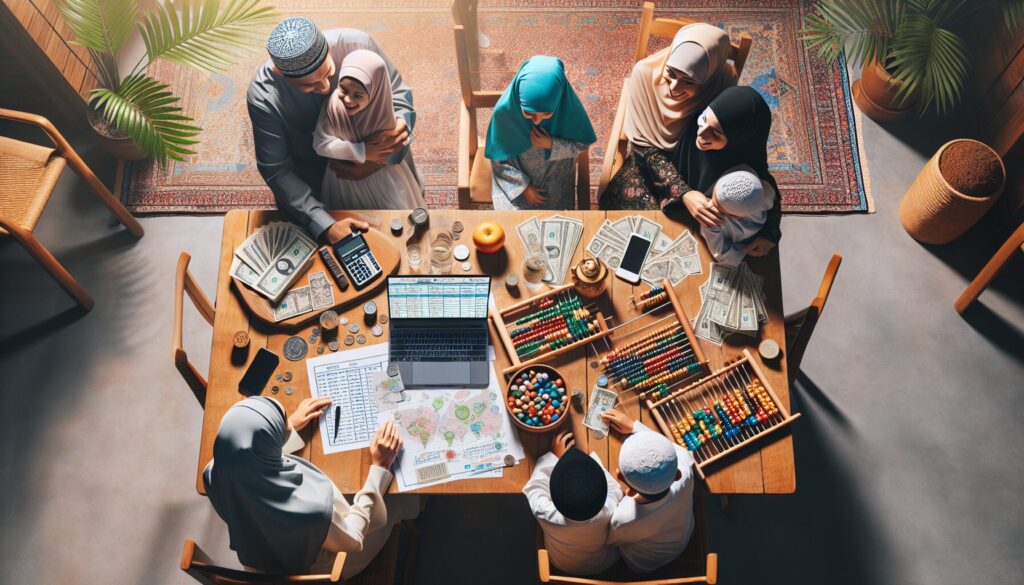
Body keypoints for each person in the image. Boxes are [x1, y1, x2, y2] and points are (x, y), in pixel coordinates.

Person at [203, 396, 418, 578]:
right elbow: (352, 539)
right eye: (283, 423)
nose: (288, 421)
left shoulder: (213, 473)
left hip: (263, 556)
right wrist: (379, 466)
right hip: (320, 565)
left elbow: (250, 458)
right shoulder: (311, 510)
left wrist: (289, 427)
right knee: (400, 498)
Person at [248, 17, 415, 244]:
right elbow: (277, 171)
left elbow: (399, 98)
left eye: (329, 73)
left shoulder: (359, 45)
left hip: (382, 161)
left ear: (328, 47)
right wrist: (324, 224)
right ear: (279, 72)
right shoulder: (264, 97)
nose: (327, 88)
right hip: (315, 178)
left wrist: (380, 155)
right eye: (310, 86)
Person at [599, 23, 736, 211]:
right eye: (671, 73)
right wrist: (682, 192)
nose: (674, 88)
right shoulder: (644, 74)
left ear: (709, 78)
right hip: (647, 158)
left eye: (689, 81)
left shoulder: (723, 82)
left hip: (695, 158)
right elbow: (641, 146)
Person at [672, 86, 782, 256]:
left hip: (707, 229)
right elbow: (648, 152)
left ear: (738, 140)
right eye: (705, 119)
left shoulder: (748, 167)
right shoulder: (690, 117)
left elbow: (769, 194)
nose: (701, 132)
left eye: (716, 133)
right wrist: (684, 193)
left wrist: (771, 235)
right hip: (667, 193)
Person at [313, 50, 426, 210]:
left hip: (383, 178)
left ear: (375, 93)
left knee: (393, 215)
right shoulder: (332, 107)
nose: (347, 100)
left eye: (358, 95)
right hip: (343, 179)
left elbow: (399, 145)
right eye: (343, 90)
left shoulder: (384, 114)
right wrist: (362, 151)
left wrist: (380, 155)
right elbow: (320, 144)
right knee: (347, 212)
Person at [485, 56, 596, 210]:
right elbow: (498, 160)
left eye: (547, 114)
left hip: (557, 180)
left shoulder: (568, 110)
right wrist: (523, 187)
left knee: (555, 225)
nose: (537, 121)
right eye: (529, 114)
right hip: (516, 182)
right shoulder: (504, 114)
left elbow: (582, 145)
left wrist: (552, 144)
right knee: (512, 227)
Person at [601, 409, 697, 573]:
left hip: (643, 562)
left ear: (629, 491)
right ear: (677, 474)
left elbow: (609, 542)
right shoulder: (686, 470)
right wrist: (633, 426)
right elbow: (673, 451)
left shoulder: (624, 518)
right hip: (685, 535)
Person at [523, 431, 623, 575]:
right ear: (602, 498)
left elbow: (535, 487)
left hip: (560, 563)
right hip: (602, 563)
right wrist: (589, 468)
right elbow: (614, 489)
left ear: (554, 499)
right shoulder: (611, 509)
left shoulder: (544, 513)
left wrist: (553, 457)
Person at [698, 165, 776, 265]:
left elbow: (721, 253)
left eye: (717, 206)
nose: (710, 204)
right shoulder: (763, 192)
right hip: (759, 229)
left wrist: (743, 251)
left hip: (745, 246)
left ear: (735, 216)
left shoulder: (712, 220)